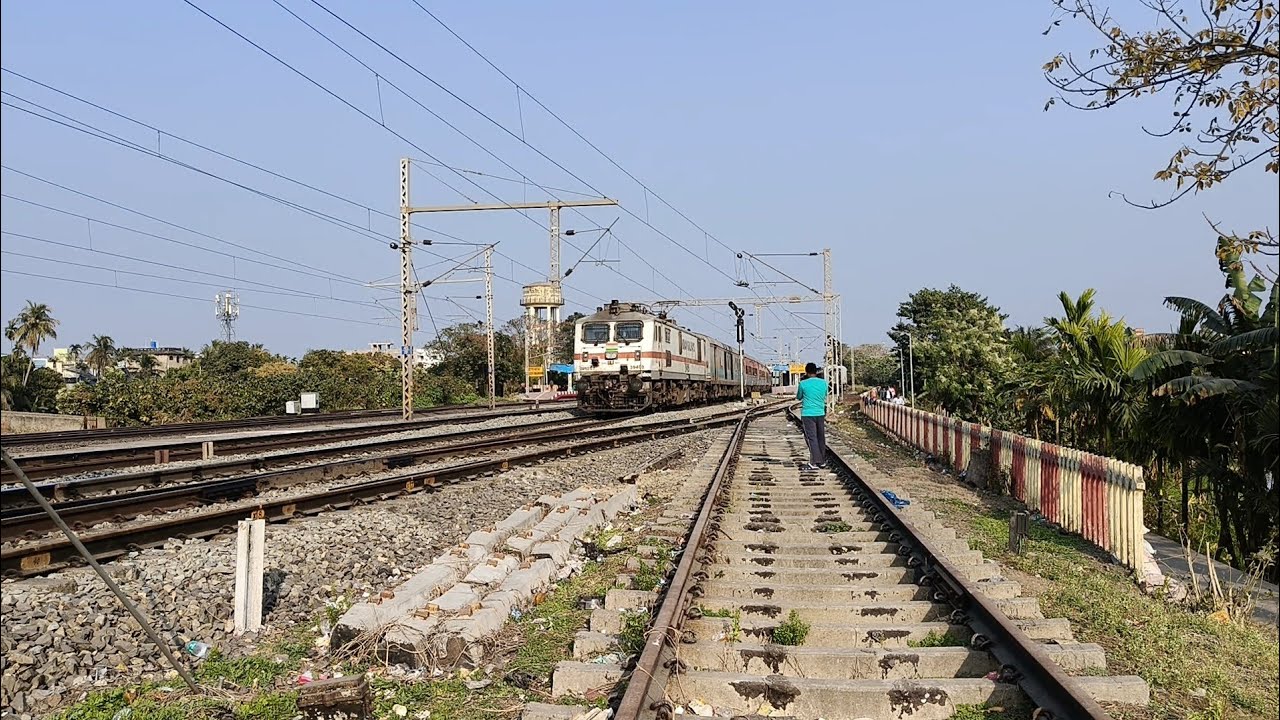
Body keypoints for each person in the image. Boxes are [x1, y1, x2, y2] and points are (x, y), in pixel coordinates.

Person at [794, 361, 829, 470]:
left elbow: (799, 397)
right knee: (820, 437)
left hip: (808, 414)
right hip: (820, 412)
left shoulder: (803, 384)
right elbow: (825, 394)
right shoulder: (824, 383)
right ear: (816, 371)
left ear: (806, 372)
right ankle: (822, 461)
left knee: (811, 438)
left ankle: (814, 462)